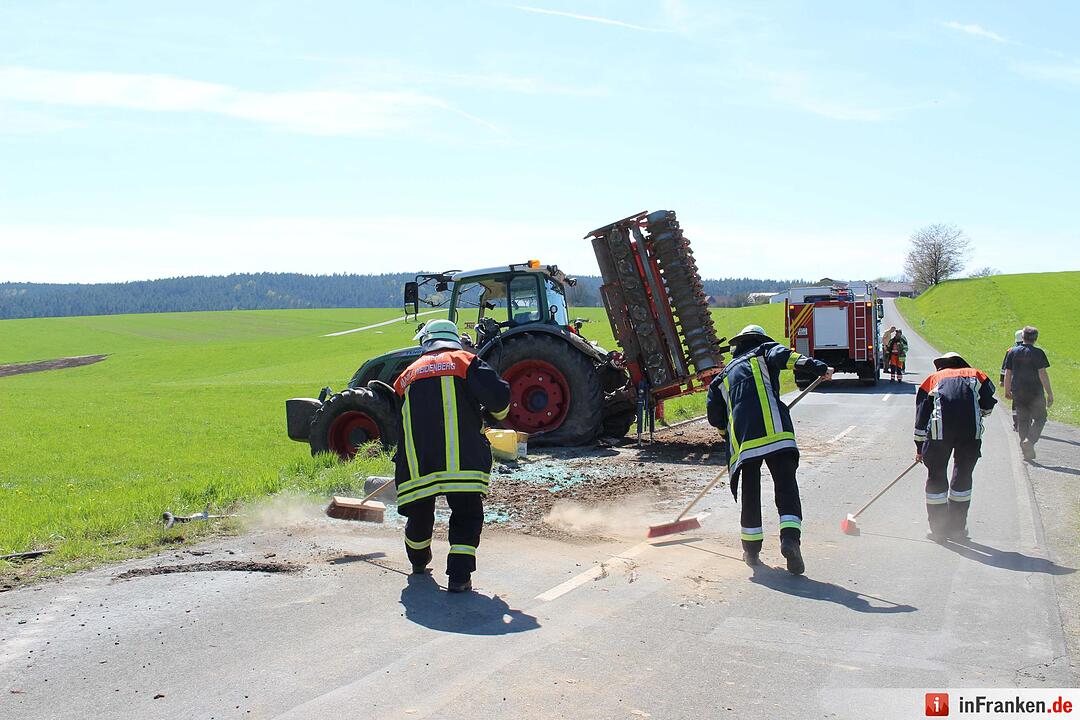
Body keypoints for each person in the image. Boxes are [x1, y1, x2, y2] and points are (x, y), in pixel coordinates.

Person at [392, 319, 511, 592]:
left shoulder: (406, 375)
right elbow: (500, 399)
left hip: (419, 462)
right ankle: (459, 577)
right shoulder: (465, 362)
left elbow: (397, 422)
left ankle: (418, 561)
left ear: (426, 342)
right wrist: (493, 415)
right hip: (464, 460)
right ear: (454, 339)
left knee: (419, 514)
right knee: (467, 514)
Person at [706, 324, 833, 574]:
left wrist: (727, 436)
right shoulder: (765, 351)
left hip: (745, 443)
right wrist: (820, 368)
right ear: (760, 339)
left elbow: (715, 416)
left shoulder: (722, 377)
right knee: (786, 487)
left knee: (750, 493)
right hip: (777, 433)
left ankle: (751, 550)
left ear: (738, 345)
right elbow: (789, 357)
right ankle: (789, 541)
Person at [914, 352, 996, 541]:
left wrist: (919, 448)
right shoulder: (977, 375)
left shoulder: (932, 379)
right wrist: (978, 412)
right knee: (963, 476)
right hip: (970, 433)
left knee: (936, 476)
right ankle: (957, 528)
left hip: (939, 434)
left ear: (941, 365)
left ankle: (939, 530)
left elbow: (921, 417)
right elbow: (988, 404)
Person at [1003, 325, 1053, 461]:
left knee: (1023, 420)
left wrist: (1007, 390)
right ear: (1035, 339)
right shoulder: (1038, 353)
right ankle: (1029, 441)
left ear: (1023, 337)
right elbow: (1042, 373)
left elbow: (1008, 373)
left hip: (1018, 392)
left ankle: (1025, 446)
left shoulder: (1012, 352)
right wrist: (1049, 393)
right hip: (1035, 393)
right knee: (1040, 418)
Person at [1000, 329, 1024, 431]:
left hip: (1015, 381)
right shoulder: (1031, 350)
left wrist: (1002, 380)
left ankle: (1016, 423)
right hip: (1029, 381)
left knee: (1016, 402)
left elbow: (1004, 368)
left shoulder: (1010, 350)